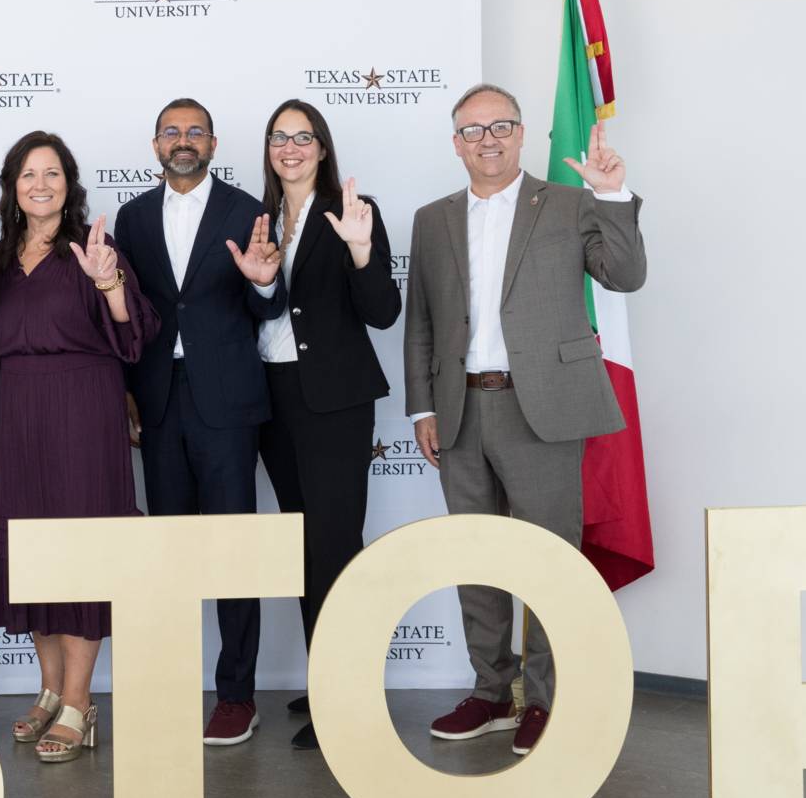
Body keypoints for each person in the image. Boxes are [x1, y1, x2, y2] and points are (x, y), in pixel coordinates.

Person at [405, 84, 645, 756]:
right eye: (473, 129)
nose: (488, 139)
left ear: (519, 131)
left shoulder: (569, 204)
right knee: (476, 559)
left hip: (543, 406)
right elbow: (422, 318)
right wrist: (423, 404)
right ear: (456, 142)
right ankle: (492, 691)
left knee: (547, 561)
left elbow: (624, 274)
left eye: (501, 125)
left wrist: (613, 196)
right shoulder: (432, 218)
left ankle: (545, 699)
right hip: (458, 411)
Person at [0, 133, 158, 762]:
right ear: (14, 186)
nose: (41, 184)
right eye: (29, 174)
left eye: (52, 173)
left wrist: (109, 286)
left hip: (85, 409)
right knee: (33, 555)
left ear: (69, 184)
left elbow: (136, 337)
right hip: (20, 413)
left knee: (84, 554)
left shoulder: (94, 250)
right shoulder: (0, 257)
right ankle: (50, 689)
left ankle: (81, 702)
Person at [113, 96, 286, 745]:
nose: (183, 140)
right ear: (156, 144)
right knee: (170, 549)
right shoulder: (129, 219)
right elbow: (122, 312)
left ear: (213, 143)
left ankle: (237, 693)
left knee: (232, 550)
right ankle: (167, 683)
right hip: (158, 402)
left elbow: (270, 305)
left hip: (227, 404)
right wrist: (127, 393)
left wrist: (265, 283)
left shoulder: (247, 211)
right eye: (171, 131)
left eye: (195, 131)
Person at [248, 100, 401, 751]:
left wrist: (363, 251)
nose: (291, 148)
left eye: (302, 137)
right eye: (280, 137)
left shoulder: (350, 213)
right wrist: (259, 286)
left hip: (334, 401)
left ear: (321, 146)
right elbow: (261, 307)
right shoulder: (259, 217)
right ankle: (328, 676)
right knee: (304, 547)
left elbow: (384, 310)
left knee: (336, 543)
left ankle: (350, 695)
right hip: (272, 398)